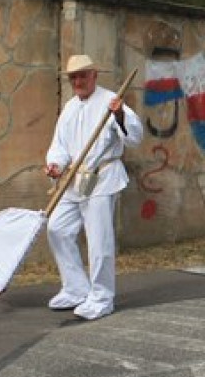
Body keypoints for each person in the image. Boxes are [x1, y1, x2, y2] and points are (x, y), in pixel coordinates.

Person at [44, 55, 143, 321]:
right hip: (73, 181)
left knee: (99, 240)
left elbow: (134, 137)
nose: (78, 81)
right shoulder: (69, 108)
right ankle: (76, 288)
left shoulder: (111, 101)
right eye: (73, 77)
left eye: (82, 75)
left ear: (94, 75)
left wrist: (120, 115)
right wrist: (55, 164)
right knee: (57, 228)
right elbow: (60, 146)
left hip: (102, 178)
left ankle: (101, 297)